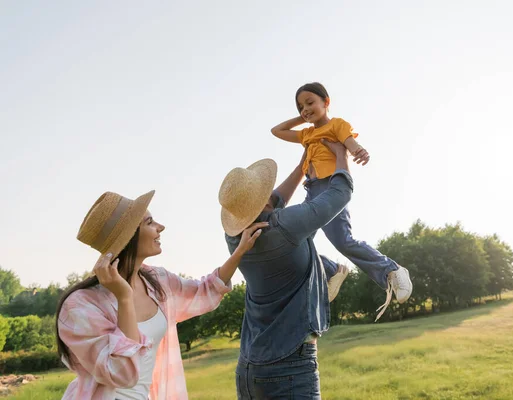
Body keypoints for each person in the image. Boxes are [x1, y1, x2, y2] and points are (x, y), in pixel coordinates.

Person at [55, 190, 266, 399]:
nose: (160, 227)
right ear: (129, 237)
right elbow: (124, 374)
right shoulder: (80, 306)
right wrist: (124, 297)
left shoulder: (157, 281)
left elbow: (204, 290)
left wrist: (239, 251)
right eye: (149, 222)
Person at [220, 140, 357, 399]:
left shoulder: (235, 239)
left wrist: (301, 166)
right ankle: (330, 273)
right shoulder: (285, 226)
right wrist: (340, 154)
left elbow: (274, 202)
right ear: (263, 202)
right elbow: (340, 193)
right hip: (290, 366)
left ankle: (329, 273)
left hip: (249, 368)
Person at [271, 82, 413, 320]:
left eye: (310, 103)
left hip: (332, 188)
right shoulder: (306, 133)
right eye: (300, 106)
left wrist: (358, 151)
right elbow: (277, 130)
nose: (305, 109)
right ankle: (331, 271)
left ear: (326, 102)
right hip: (312, 191)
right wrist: (302, 118)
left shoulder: (337, 124)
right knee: (296, 242)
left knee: (343, 241)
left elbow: (349, 142)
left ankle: (392, 270)